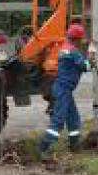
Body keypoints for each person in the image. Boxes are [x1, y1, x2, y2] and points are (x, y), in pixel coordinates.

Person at [39, 23, 94, 157]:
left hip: (63, 89)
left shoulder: (64, 48)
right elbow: (86, 66)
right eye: (81, 39)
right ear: (77, 39)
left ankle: (74, 144)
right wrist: (92, 56)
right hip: (63, 90)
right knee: (59, 119)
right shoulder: (73, 52)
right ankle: (44, 148)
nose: (82, 41)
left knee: (73, 118)